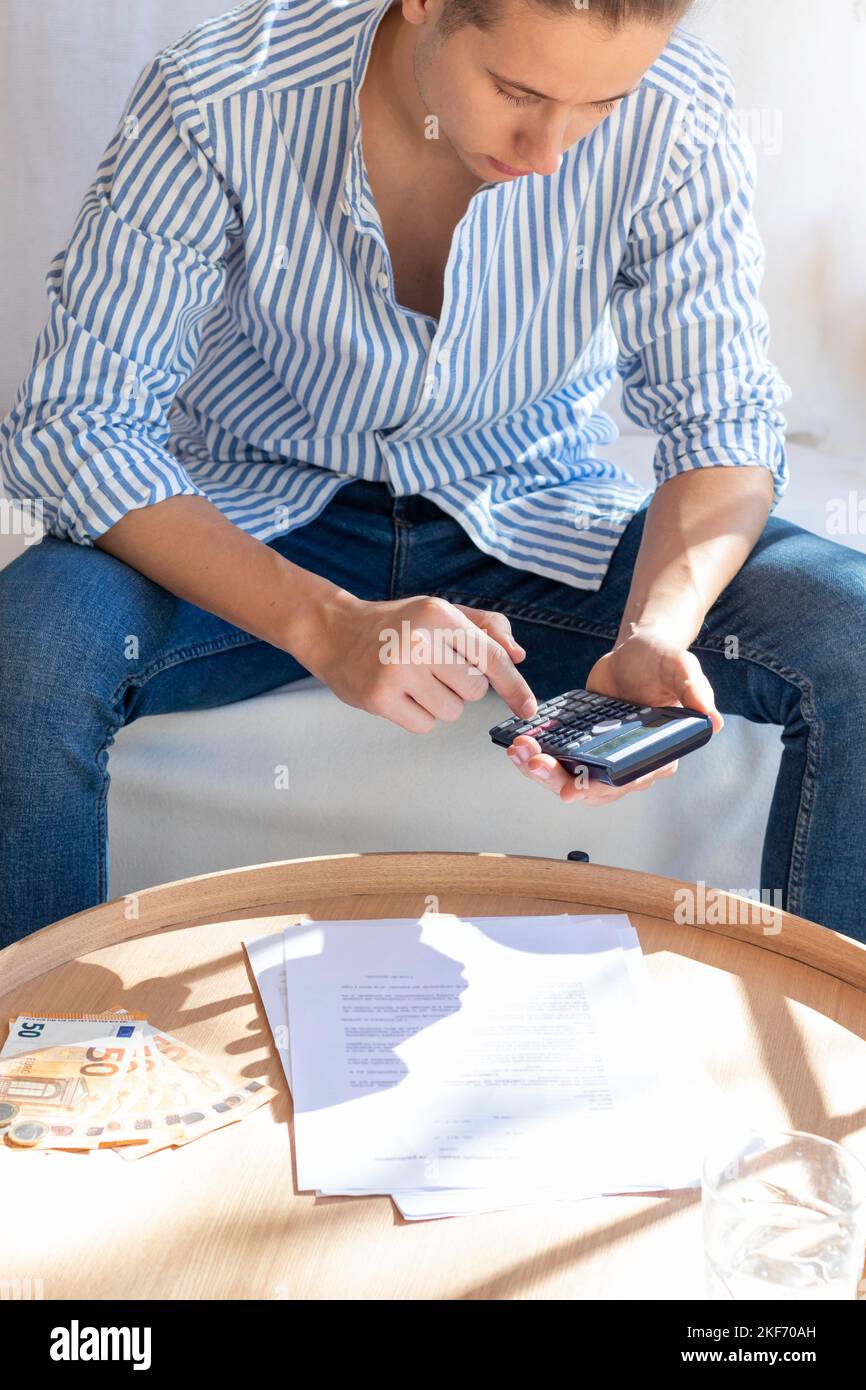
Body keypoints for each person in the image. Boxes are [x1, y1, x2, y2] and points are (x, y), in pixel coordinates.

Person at [1, 0, 863, 945]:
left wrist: (657, 627)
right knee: (27, 658)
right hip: (257, 511)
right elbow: (78, 423)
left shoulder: (681, 109)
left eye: (600, 105)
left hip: (535, 512)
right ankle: (35, 1064)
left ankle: (832, 1063)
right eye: (516, 91)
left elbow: (723, 426)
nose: (549, 151)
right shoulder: (220, 95)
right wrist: (321, 623)